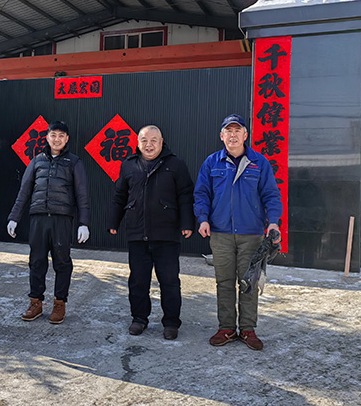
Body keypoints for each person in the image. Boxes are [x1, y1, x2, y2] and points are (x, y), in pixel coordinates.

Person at [194, 114, 283, 350]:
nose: (233, 135)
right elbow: (201, 194)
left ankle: (247, 329)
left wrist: (273, 222)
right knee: (224, 282)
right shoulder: (212, 163)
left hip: (251, 234)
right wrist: (203, 219)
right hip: (220, 233)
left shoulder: (259, 163)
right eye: (228, 131)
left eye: (237, 131)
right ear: (221, 136)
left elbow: (271, 195)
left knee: (249, 282)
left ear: (245, 135)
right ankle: (226, 328)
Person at [109, 125, 194, 341]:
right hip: (137, 233)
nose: (149, 145)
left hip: (167, 234)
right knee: (138, 281)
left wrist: (187, 223)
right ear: (138, 143)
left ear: (161, 142)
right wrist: (113, 221)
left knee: (169, 281)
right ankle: (139, 319)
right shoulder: (129, 165)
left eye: (154, 140)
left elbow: (185, 195)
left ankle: (171, 322)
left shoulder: (175, 164)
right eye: (144, 140)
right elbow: (120, 195)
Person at [7, 121, 90, 324]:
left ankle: (59, 304)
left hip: (62, 219)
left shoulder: (74, 162)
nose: (57, 139)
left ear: (67, 139)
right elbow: (24, 192)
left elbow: (82, 194)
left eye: (61, 136)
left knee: (62, 262)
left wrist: (84, 223)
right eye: (53, 135)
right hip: (39, 218)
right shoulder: (37, 161)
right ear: (47, 137)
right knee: (36, 261)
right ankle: (35, 303)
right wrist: (14, 217)